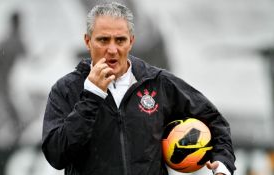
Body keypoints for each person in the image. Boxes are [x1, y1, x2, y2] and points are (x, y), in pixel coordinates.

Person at [42, 2, 236, 175]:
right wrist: (92, 96)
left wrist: (222, 164)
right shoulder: (66, 89)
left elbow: (214, 121)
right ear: (87, 41)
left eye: (120, 40)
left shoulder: (157, 82)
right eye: (103, 40)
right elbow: (56, 155)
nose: (112, 49)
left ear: (131, 42)